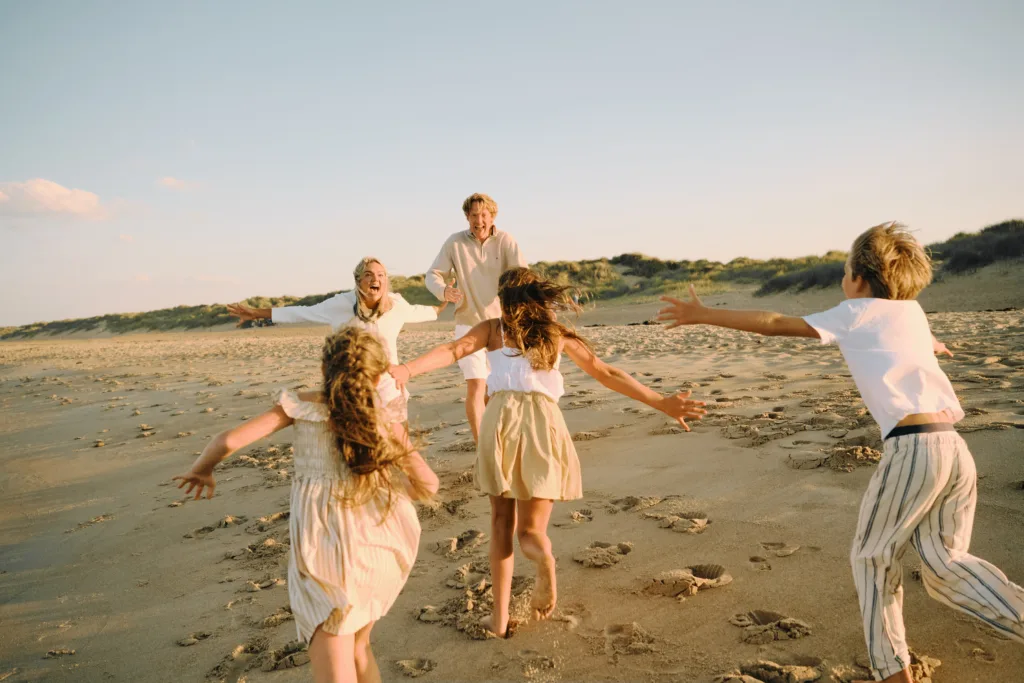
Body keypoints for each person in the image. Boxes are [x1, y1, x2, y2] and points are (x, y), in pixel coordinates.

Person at [657, 222, 1024, 683]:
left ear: (857, 277)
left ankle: (892, 673)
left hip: (913, 451)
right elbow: (917, 343)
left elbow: (774, 324)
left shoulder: (856, 312)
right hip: (953, 447)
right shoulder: (911, 313)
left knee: (872, 558)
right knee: (944, 562)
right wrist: (935, 344)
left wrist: (704, 313)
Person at [391, 268, 706, 638]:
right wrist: (662, 402)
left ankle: (500, 618)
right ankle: (543, 557)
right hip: (545, 423)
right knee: (531, 530)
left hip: (502, 421)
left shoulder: (494, 329)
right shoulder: (557, 334)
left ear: (503, 298)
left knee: (500, 524)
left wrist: (408, 368)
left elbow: (453, 350)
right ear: (539, 297)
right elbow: (606, 372)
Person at [173, 327, 439, 683]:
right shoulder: (384, 418)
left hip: (324, 556)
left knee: (333, 650)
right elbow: (428, 484)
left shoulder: (301, 405)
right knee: (359, 648)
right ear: (378, 374)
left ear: (325, 367)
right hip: (377, 549)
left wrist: (202, 470)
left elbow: (228, 439)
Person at [227, 256, 447, 424]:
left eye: (381, 275)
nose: (375, 279)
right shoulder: (340, 304)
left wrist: (446, 299)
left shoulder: (395, 305)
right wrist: (257, 313)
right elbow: (301, 312)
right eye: (369, 274)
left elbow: (425, 312)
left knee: (399, 441)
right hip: (352, 386)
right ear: (358, 280)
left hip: (390, 383)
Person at [425, 193, 528, 442]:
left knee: (496, 388)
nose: (478, 220)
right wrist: (443, 290)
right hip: (468, 324)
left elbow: (522, 275)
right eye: (473, 215)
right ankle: (482, 446)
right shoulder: (455, 243)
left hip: (501, 326)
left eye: (483, 215)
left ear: (492, 216)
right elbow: (432, 275)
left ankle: (494, 431)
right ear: (466, 217)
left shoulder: (505, 241)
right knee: (476, 384)